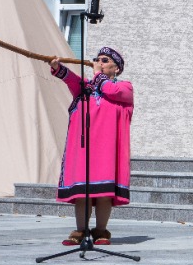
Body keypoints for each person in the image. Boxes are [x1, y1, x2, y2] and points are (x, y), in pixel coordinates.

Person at [48, 47, 133, 246]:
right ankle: (80, 229)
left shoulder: (125, 88)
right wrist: (57, 67)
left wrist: (97, 74)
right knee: (82, 193)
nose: (100, 62)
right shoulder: (86, 87)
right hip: (84, 150)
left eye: (105, 60)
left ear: (117, 68)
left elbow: (110, 90)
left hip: (107, 151)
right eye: (98, 59)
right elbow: (71, 80)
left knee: (104, 193)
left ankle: (101, 230)